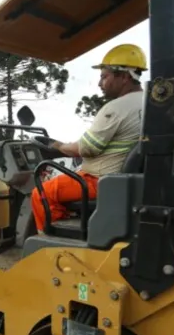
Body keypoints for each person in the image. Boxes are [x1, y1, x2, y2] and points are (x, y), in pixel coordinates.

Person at [31, 43, 146, 233]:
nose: (100, 83)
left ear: (125, 76)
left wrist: (56, 145)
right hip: (124, 178)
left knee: (39, 193)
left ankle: (53, 241)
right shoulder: (147, 102)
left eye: (104, 77)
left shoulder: (116, 108)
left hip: (100, 180)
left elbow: (86, 149)